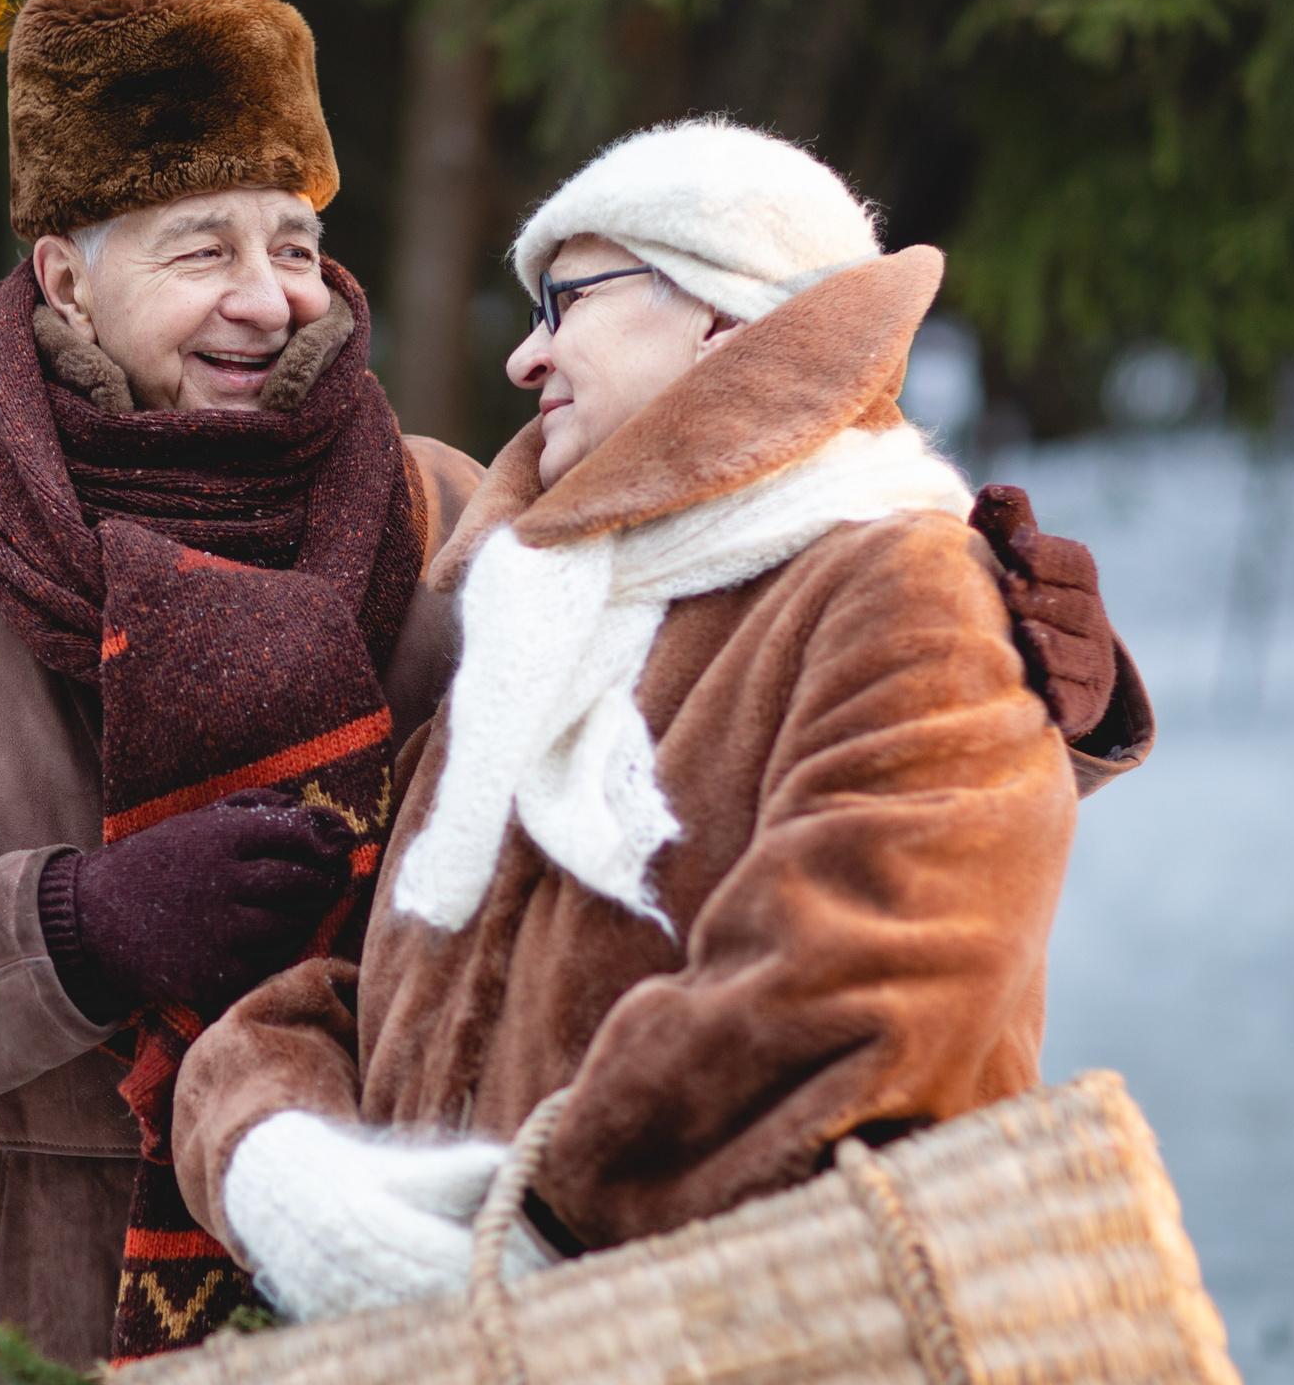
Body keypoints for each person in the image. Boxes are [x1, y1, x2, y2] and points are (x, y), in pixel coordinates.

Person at [0, 0, 1145, 1385]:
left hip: (444, 1361)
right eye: (204, 249)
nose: (274, 300)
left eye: (298, 245)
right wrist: (74, 927)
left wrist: (1044, 684)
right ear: (66, 274)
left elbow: (737, 723)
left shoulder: (463, 519)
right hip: (30, 1372)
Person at [170, 119, 1139, 1322]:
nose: (528, 363)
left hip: (768, 1369)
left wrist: (541, 1224)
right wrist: (278, 1161)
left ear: (724, 314)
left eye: (565, 302)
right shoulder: (540, 616)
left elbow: (866, 984)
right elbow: (358, 974)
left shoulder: (895, 582)